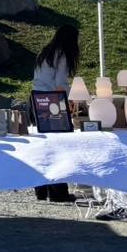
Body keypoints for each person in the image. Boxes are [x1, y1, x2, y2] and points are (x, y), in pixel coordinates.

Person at [32, 24, 80, 202]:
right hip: (53, 101)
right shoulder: (62, 55)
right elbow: (60, 82)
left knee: (44, 145)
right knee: (59, 146)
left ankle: (41, 189)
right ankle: (59, 192)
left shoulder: (46, 52)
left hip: (37, 98)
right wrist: (70, 100)